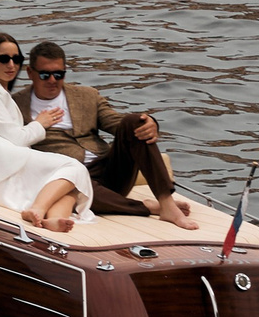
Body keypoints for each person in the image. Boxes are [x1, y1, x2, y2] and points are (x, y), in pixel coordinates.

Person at [16, 41, 194, 228]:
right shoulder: (17, 106)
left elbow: (117, 124)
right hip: (64, 176)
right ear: (30, 73)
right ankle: (147, 207)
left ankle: (166, 204)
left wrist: (150, 123)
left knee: (135, 122)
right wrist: (37, 126)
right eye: (45, 75)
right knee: (77, 185)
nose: (52, 80)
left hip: (107, 169)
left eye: (59, 74)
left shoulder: (87, 96)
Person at [0, 34, 93, 233]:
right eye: (3, 59)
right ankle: (37, 209)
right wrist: (41, 123)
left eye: (16, 59)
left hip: (5, 158)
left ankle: (55, 218)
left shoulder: (0, 91)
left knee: (72, 185)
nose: (11, 65)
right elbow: (17, 138)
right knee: (74, 167)